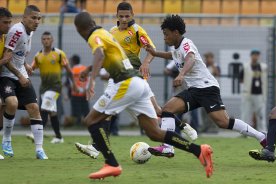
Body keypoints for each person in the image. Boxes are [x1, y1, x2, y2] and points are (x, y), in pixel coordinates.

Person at [74, 11, 213, 179]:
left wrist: (91, 81)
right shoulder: (105, 32)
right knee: (154, 132)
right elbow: (110, 56)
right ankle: (199, 150)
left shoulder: (94, 36)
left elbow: (100, 55)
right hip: (138, 83)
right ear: (93, 21)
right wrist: (89, 70)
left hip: (124, 84)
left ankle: (111, 164)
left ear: (79, 29)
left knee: (91, 120)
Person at [145, 14, 267, 157]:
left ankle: (261, 137)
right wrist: (155, 53)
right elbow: (171, 55)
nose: (164, 38)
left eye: (166, 34)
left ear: (176, 32)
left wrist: (182, 74)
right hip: (194, 90)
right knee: (167, 110)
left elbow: (190, 58)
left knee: (223, 122)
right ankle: (167, 147)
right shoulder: (176, 48)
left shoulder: (186, 44)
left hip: (207, 88)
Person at [0, 5, 48, 159]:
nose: (37, 21)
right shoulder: (16, 31)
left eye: (39, 18)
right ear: (24, 18)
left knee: (34, 107)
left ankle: (40, 149)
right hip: (7, 75)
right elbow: (6, 59)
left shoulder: (30, 32)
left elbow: (18, 54)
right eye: (33, 18)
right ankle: (7, 139)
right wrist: (19, 75)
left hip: (20, 72)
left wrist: (25, 64)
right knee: (11, 103)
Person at [26, 31, 76, 144]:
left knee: (44, 109)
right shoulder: (38, 55)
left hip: (55, 87)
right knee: (52, 113)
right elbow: (31, 69)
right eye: (44, 39)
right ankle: (58, 137)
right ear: (41, 41)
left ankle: (37, 134)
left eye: (48, 39)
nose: (46, 41)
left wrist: (75, 85)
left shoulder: (59, 54)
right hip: (44, 88)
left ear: (52, 40)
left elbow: (69, 70)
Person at [239, 49, 267, 132]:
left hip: (259, 93)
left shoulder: (263, 67)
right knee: (245, 113)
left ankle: (263, 131)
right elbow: (241, 79)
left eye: (257, 55)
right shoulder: (246, 66)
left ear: (259, 56)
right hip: (248, 93)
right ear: (251, 56)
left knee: (261, 114)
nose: (255, 57)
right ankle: (244, 131)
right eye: (254, 55)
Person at [0, 7, 13, 160]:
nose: (8, 26)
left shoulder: (4, 38)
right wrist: (3, 61)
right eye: (5, 22)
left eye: (10, 22)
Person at [199, 52, 220, 133]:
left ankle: (214, 128)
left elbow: (217, 74)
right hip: (203, 90)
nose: (208, 59)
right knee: (203, 111)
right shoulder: (203, 66)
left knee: (213, 110)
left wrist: (212, 65)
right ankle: (205, 126)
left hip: (212, 91)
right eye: (206, 58)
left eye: (209, 58)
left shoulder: (215, 66)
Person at [68, 54, 90, 125]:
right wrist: (85, 89)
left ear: (73, 61)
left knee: (75, 112)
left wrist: (77, 89)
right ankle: (86, 124)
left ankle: (77, 125)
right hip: (84, 93)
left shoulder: (72, 70)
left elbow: (71, 82)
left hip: (75, 93)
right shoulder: (84, 68)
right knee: (86, 110)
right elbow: (88, 80)